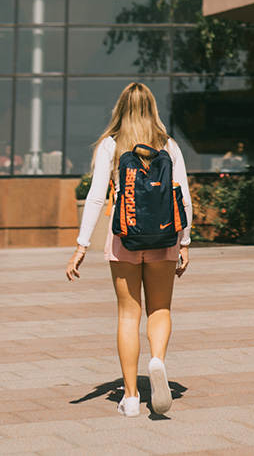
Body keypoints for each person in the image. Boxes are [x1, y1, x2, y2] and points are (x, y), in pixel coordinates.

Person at [65, 83, 192, 418]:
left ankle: (132, 397)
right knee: (160, 309)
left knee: (127, 314)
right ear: (152, 108)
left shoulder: (112, 145)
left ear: (120, 108)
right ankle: (157, 361)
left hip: (124, 238)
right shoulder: (169, 145)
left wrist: (81, 245)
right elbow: (185, 199)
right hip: (165, 238)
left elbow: (95, 198)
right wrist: (186, 241)